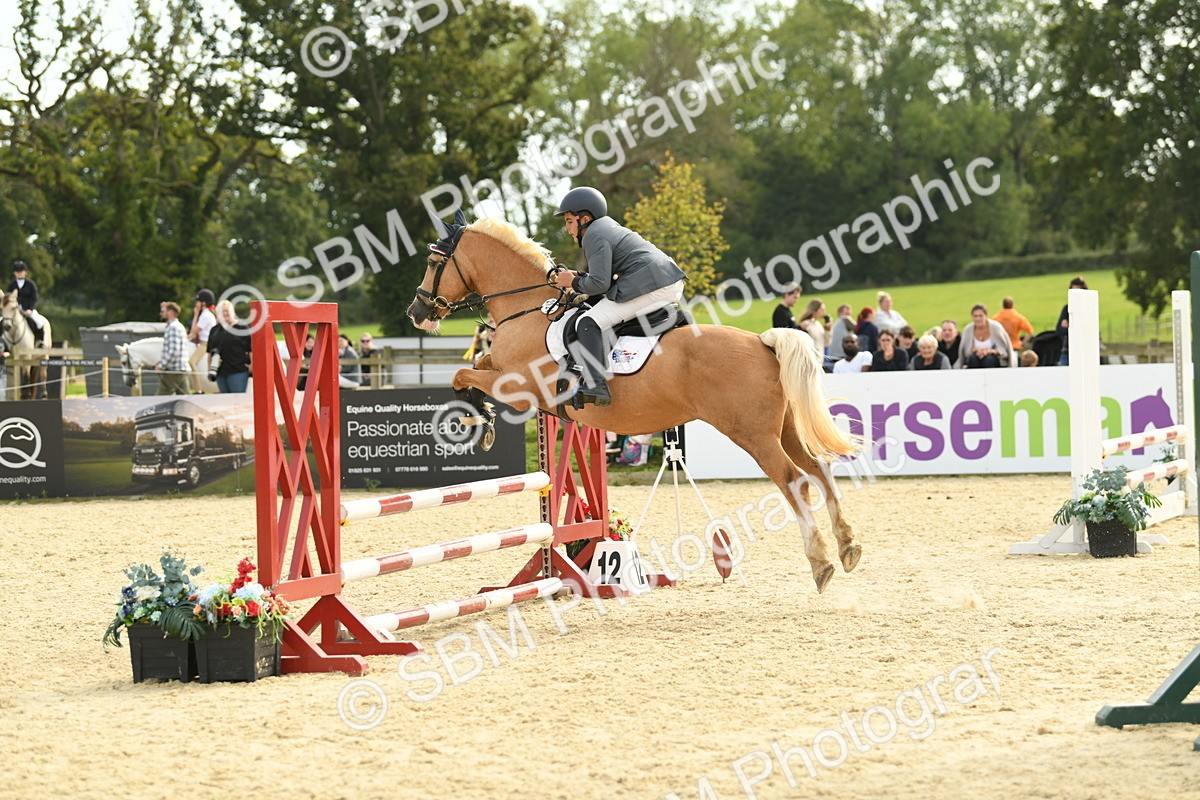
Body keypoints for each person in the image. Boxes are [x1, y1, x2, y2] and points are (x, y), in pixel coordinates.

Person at [552, 186, 687, 406]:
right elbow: (603, 278)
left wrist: (572, 282)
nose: (567, 229)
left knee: (587, 321)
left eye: (568, 222)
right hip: (665, 281)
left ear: (584, 219)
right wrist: (580, 277)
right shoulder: (605, 227)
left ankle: (596, 386)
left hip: (654, 286)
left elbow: (599, 284)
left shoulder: (593, 235)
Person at [205, 300, 251, 392]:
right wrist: (210, 369)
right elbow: (209, 351)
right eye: (222, 311)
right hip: (220, 373)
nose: (225, 313)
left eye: (227, 311)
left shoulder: (242, 327)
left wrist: (252, 366)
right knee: (224, 398)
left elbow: (251, 349)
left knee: (238, 399)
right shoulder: (214, 330)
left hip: (238, 372)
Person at [959, 303, 1014, 368]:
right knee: (973, 359)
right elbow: (965, 352)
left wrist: (990, 351)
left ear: (986, 316)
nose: (978, 319)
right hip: (974, 359)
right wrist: (976, 350)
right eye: (975, 316)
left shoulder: (996, 327)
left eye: (980, 316)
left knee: (988, 360)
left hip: (995, 359)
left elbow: (1003, 350)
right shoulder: (968, 330)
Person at [5, 260, 46, 345]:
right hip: (14, 311)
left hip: (28, 310)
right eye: (17, 271)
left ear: (25, 272)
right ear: (14, 273)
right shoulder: (11, 285)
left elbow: (34, 298)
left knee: (39, 322)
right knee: (2, 320)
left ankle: (39, 341)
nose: (19, 273)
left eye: (21, 271)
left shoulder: (31, 284)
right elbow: (7, 299)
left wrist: (30, 309)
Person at [155, 301, 190, 395]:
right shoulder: (179, 326)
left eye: (163, 311)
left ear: (170, 312)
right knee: (185, 398)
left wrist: (161, 365)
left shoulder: (173, 327)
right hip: (181, 369)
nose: (161, 313)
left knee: (159, 399)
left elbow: (174, 351)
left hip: (174, 371)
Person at [188, 288, 217, 392]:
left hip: (205, 344)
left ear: (203, 303)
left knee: (191, 362)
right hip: (203, 343)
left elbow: (194, 331)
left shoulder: (205, 315)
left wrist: (196, 314)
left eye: (198, 301)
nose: (196, 304)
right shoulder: (207, 314)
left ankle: (198, 389)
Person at [1056, 276, 1088, 366]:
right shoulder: (1067, 308)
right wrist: (1073, 328)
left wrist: (1070, 327)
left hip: (1084, 351)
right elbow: (1059, 330)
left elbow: (1085, 329)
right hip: (1067, 350)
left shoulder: (1088, 308)